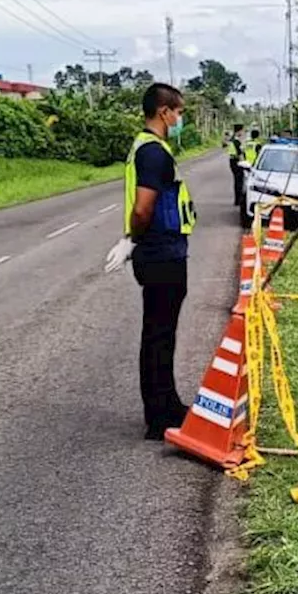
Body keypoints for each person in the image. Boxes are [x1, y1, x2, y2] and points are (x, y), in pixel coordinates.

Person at [106, 83, 197, 439]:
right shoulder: (153, 153)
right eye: (179, 112)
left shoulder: (147, 148)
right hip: (160, 253)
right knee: (159, 335)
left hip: (162, 252)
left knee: (162, 334)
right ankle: (159, 418)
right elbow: (143, 208)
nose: (180, 119)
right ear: (164, 112)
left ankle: (168, 405)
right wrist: (132, 238)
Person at [226, 123, 245, 206]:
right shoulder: (236, 141)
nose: (243, 132)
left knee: (237, 181)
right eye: (242, 130)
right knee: (239, 182)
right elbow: (240, 154)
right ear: (239, 131)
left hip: (232, 161)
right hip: (237, 162)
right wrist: (243, 164)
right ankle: (238, 200)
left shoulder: (232, 140)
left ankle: (237, 200)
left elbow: (224, 144)